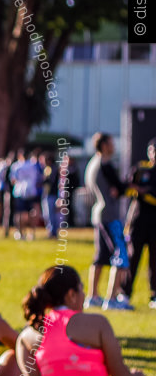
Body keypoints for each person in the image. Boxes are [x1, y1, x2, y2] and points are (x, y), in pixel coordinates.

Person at [17, 265, 156, 376]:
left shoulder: (28, 335)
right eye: (82, 289)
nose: (84, 296)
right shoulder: (97, 324)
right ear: (71, 294)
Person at [84, 133, 132, 310]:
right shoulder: (104, 164)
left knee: (101, 257)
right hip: (109, 215)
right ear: (104, 145)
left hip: (98, 214)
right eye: (111, 143)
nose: (114, 146)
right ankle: (111, 299)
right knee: (121, 256)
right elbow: (119, 187)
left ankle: (92, 296)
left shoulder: (92, 164)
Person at [125, 138, 156, 309]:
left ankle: (154, 295)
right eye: (153, 150)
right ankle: (125, 293)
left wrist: (144, 192)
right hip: (138, 221)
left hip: (154, 223)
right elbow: (128, 188)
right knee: (132, 257)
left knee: (154, 261)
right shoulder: (140, 168)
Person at [10, 148, 42, 240]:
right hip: (31, 191)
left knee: (20, 214)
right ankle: (32, 233)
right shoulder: (33, 165)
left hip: (20, 192)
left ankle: (20, 232)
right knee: (32, 213)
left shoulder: (16, 166)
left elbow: (13, 180)